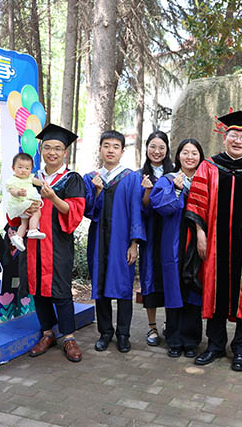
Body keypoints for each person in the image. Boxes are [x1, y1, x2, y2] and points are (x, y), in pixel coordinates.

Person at [186, 110, 242, 371]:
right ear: (224, 138)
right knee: (215, 290)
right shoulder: (209, 166)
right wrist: (200, 234)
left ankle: (241, 350)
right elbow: (197, 201)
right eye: (233, 135)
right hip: (215, 243)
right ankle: (215, 346)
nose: (237, 140)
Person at [22, 124, 86, 362]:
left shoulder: (71, 179)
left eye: (57, 148)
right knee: (38, 289)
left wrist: (53, 197)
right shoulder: (31, 178)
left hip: (58, 243)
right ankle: (47, 333)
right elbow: (16, 207)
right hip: (34, 242)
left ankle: (69, 337)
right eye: (47, 147)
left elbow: (75, 212)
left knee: (60, 290)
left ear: (65, 153)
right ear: (41, 150)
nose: (52, 152)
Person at [84, 130, 145, 354]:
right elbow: (88, 211)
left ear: (122, 151)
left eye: (115, 146)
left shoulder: (131, 178)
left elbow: (136, 212)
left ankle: (123, 334)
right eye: (106, 146)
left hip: (122, 242)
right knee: (100, 287)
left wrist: (134, 244)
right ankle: (105, 332)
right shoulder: (91, 178)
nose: (110, 150)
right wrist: (97, 191)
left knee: (123, 287)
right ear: (100, 149)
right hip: (98, 241)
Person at [149, 139, 205, 358]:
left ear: (200, 157)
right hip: (174, 240)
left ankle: (191, 340)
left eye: (194, 153)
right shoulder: (168, 179)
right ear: (178, 155)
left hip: (197, 240)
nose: (190, 157)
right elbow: (161, 207)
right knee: (174, 288)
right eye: (185, 152)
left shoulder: (205, 180)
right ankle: (174, 339)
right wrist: (177, 190)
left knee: (194, 287)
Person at [139, 131, 175, 347]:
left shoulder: (174, 173)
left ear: (167, 149)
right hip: (150, 233)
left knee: (171, 277)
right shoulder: (139, 175)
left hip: (171, 232)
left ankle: (170, 324)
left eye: (161, 147)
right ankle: (152, 327)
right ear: (146, 148)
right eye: (153, 146)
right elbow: (141, 208)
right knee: (150, 277)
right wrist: (147, 192)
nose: (157, 151)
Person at [4, 152, 45, 251]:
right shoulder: (12, 180)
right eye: (20, 167)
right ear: (13, 168)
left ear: (31, 170)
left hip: (25, 203)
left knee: (24, 223)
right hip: (21, 203)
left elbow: (36, 181)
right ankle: (33, 229)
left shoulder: (30, 177)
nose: (23, 170)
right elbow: (11, 190)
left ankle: (18, 237)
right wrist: (18, 192)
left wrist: (42, 183)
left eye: (27, 168)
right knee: (37, 212)